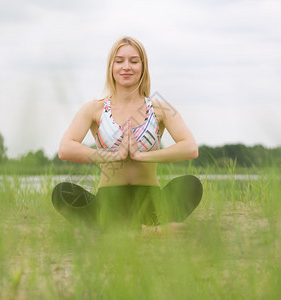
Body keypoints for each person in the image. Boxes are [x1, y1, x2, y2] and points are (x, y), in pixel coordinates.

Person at [52, 36, 203, 232]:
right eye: (119, 61)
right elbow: (65, 148)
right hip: (110, 201)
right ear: (111, 67)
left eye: (134, 61)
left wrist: (142, 156)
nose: (126, 67)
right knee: (61, 192)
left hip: (151, 202)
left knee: (191, 184)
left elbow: (190, 147)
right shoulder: (94, 109)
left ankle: (124, 231)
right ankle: (151, 231)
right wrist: (115, 155)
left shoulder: (161, 109)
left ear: (143, 67)